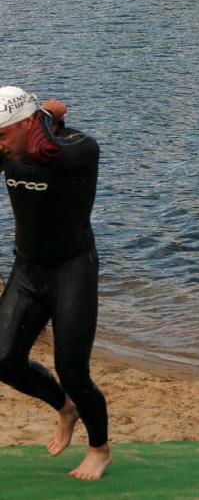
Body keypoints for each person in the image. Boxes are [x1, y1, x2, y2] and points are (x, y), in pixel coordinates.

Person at [0, 86, 111, 479]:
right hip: (28, 269)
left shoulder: (78, 149)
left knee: (73, 370)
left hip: (73, 270)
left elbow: (53, 148)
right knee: (3, 360)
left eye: (2, 134)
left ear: (25, 124)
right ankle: (65, 408)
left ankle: (99, 448)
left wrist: (45, 117)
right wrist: (44, 114)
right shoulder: (8, 148)